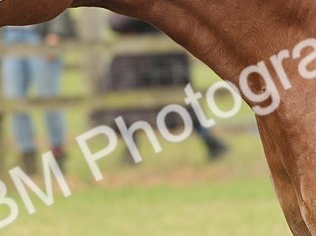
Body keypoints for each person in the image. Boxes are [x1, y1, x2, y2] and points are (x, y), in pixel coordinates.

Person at [96, 14, 228, 162]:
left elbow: (118, 23)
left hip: (162, 61)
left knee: (184, 106)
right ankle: (131, 152)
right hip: (140, 63)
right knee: (127, 107)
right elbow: (116, 23)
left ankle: (212, 143)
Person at [1, 12, 75, 173]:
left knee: (49, 99)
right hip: (9, 38)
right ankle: (27, 153)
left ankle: (57, 151)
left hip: (39, 36)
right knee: (15, 100)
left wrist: (56, 32)